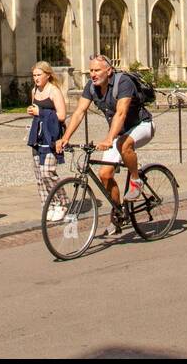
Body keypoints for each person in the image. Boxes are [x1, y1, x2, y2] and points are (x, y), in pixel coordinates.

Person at [57, 54, 154, 235]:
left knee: (124, 144)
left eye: (97, 70)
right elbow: (79, 112)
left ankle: (136, 179)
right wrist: (65, 137)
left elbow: (121, 113)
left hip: (141, 126)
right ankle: (119, 213)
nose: (93, 74)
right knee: (105, 174)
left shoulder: (123, 82)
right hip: (118, 133)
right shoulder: (91, 87)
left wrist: (109, 138)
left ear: (109, 70)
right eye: (91, 70)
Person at [26, 61, 67, 217]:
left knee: (47, 172)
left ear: (48, 75)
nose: (36, 78)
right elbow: (36, 111)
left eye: (39, 75)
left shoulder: (54, 91)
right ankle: (48, 205)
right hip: (38, 135)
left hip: (52, 136)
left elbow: (62, 115)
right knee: (38, 175)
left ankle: (62, 203)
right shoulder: (34, 91)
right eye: (34, 75)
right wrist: (33, 111)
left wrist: (41, 112)